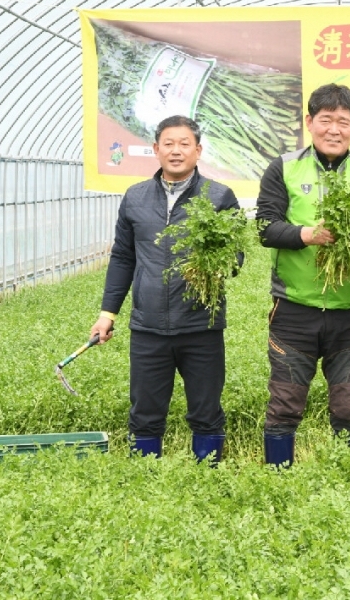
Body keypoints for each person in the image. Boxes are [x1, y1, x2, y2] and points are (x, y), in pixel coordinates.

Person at [90, 115, 243, 464]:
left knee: (206, 410)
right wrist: (106, 314)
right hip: (148, 327)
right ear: (156, 150)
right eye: (169, 144)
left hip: (201, 326)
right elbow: (123, 259)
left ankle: (208, 476)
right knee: (145, 412)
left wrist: (208, 266)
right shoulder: (135, 198)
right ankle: (146, 482)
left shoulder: (219, 197)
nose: (176, 151)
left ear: (198, 150)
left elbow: (235, 257)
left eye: (184, 144)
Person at [255, 83, 350, 468]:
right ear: (309, 122)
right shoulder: (284, 167)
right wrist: (306, 235)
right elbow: (265, 227)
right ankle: (279, 482)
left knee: (349, 407)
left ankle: (345, 483)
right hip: (295, 310)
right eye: (325, 120)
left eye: (342, 122)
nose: (334, 129)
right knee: (284, 405)